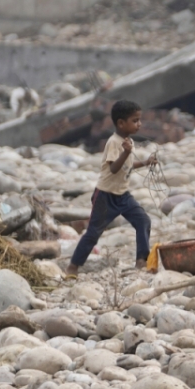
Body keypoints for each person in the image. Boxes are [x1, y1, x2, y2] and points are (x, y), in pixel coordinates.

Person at [66, 100, 156, 277]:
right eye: (135, 120)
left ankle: (141, 260)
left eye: (139, 120)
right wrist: (126, 153)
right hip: (105, 197)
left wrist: (145, 162)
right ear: (121, 123)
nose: (140, 124)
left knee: (143, 221)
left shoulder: (127, 142)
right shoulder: (114, 143)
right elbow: (114, 167)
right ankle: (73, 266)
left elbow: (127, 166)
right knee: (93, 233)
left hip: (123, 195)